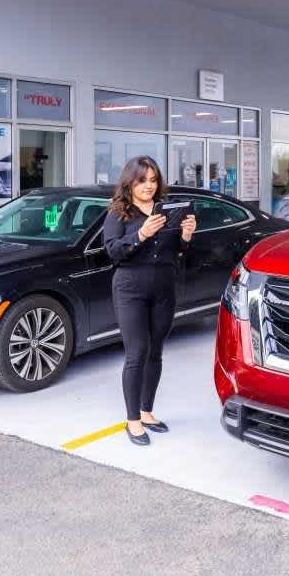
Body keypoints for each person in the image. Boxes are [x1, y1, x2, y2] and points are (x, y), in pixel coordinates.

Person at [103, 156, 196, 446]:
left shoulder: (168, 212)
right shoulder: (118, 213)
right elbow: (113, 251)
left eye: (153, 180)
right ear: (129, 182)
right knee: (137, 352)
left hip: (164, 289)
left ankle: (146, 411)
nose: (148, 186)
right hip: (130, 289)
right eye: (142, 180)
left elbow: (175, 250)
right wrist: (142, 234)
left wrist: (186, 236)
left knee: (155, 351)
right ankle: (132, 420)